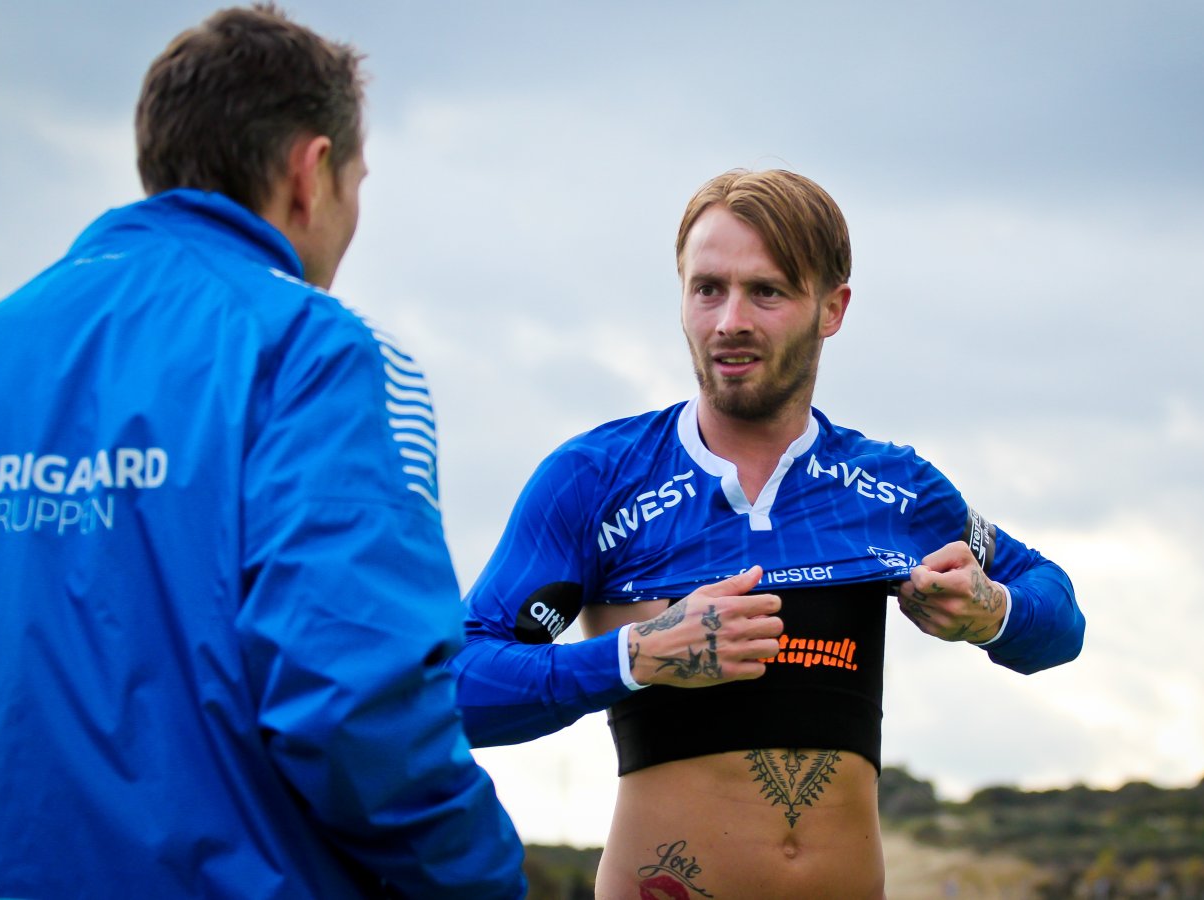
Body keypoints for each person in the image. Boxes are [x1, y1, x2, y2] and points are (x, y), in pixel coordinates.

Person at [0, 6, 523, 898]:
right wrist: (485, 879)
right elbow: (357, 708)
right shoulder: (311, 348)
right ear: (311, 171)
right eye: (356, 182)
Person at [453, 168, 1085, 898]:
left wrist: (992, 612)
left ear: (832, 308)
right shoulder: (595, 479)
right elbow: (452, 687)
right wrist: (635, 655)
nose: (730, 320)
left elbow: (1059, 613)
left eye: (767, 291)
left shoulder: (893, 486)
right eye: (707, 289)